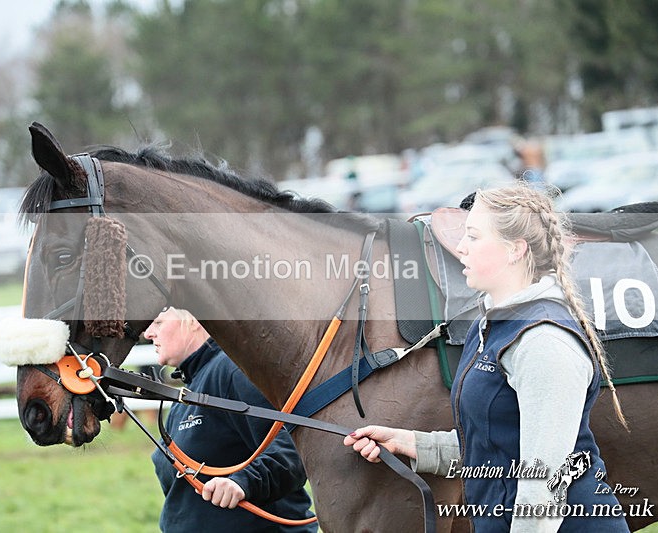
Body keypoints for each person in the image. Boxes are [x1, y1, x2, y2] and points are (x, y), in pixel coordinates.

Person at [344, 183, 629, 532]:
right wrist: (411, 443)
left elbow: (542, 490)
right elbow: (496, 450)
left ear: (515, 249)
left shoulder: (544, 342)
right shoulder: (491, 323)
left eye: (474, 237)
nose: (460, 247)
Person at [144, 307, 317, 532]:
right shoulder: (187, 394)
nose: (148, 333)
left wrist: (242, 482)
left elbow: (293, 448)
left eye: (158, 322)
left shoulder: (234, 372)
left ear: (194, 320)